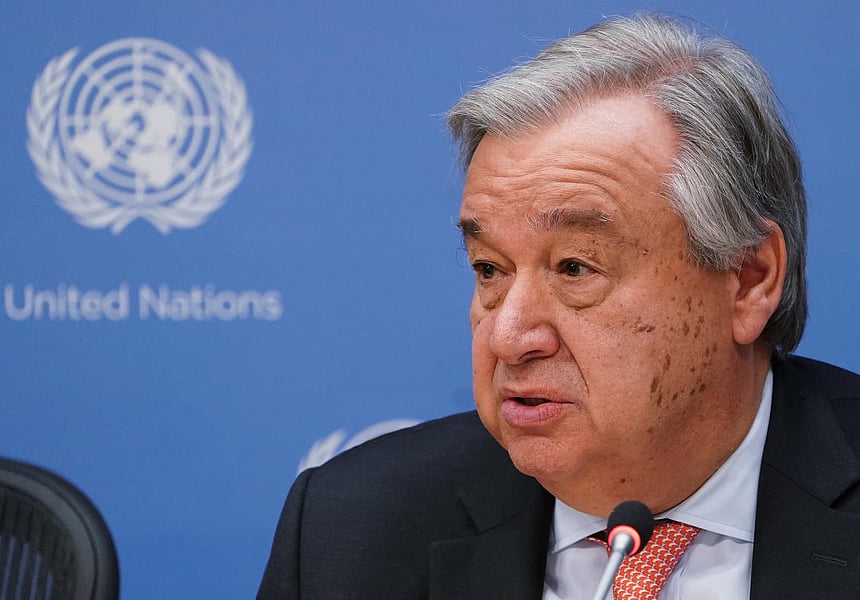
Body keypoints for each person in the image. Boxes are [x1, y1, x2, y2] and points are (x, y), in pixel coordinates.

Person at [258, 13, 860, 599]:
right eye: (489, 269)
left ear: (749, 278)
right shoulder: (352, 530)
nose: (509, 337)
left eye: (575, 268)